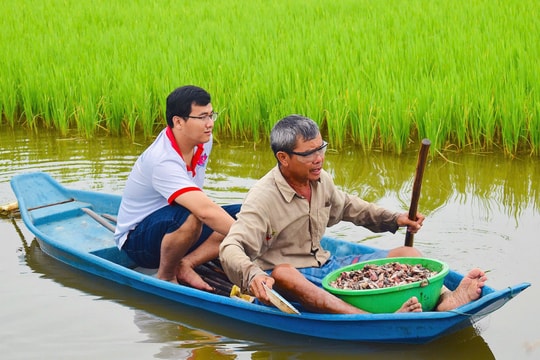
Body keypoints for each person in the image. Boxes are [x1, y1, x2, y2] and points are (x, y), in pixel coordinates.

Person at [219, 114, 487, 314]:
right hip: (294, 279)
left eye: (321, 148)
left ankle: (445, 299)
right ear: (283, 157)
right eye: (309, 153)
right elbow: (230, 246)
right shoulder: (262, 197)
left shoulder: (320, 179)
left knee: (410, 256)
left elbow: (349, 207)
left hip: (328, 264)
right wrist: (252, 275)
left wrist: (394, 218)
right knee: (283, 272)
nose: (319, 159)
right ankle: (364, 318)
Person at [114, 85, 240, 292]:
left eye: (211, 115)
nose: (210, 124)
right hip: (141, 243)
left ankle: (186, 264)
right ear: (178, 122)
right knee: (193, 214)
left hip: (179, 229)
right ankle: (166, 276)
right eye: (202, 118)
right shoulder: (162, 160)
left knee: (247, 214)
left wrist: (251, 228)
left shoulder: (202, 141)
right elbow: (205, 211)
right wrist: (249, 240)